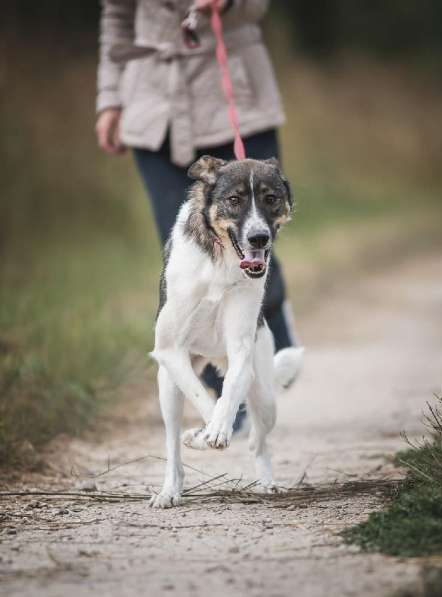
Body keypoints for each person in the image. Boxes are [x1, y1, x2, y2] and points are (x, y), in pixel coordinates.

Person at [96, 0, 297, 428]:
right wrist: (109, 98)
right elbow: (116, 16)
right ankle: (230, 399)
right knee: (184, 253)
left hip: (234, 93)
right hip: (153, 103)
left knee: (254, 240)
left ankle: (273, 347)